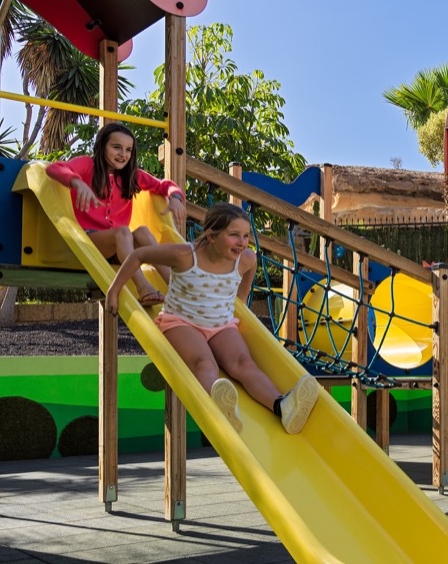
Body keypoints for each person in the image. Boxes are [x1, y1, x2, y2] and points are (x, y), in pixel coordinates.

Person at [106, 203, 319, 434]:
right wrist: (113, 292)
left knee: (244, 363)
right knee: (204, 362)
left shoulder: (245, 259)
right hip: (181, 322)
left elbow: (250, 269)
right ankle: (219, 407)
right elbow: (138, 255)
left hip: (220, 325)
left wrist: (242, 299)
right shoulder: (184, 255)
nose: (241, 242)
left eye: (246, 235)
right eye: (234, 235)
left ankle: (283, 407)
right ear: (211, 236)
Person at [48, 123, 187, 307]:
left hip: (120, 248)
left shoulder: (131, 176)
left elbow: (165, 185)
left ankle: (177, 287)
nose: (123, 154)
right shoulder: (87, 165)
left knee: (143, 232)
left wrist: (175, 198)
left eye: (128, 150)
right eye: (116, 147)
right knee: (123, 232)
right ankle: (143, 287)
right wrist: (77, 182)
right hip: (88, 243)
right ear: (102, 146)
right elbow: (54, 168)